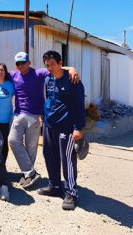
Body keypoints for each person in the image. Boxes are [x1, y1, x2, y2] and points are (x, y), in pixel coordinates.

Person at [6, 51, 79, 190]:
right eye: (18, 63)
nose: (21, 65)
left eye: (23, 62)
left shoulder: (39, 73)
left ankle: (27, 175)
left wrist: (72, 69)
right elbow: (0, 74)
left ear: (29, 62)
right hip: (18, 114)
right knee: (13, 140)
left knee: (31, 147)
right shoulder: (14, 75)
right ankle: (30, 172)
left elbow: (56, 68)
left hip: (34, 115)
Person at [37, 50, 85, 210]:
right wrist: (43, 115)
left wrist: (78, 128)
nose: (50, 67)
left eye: (52, 64)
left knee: (67, 159)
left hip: (66, 126)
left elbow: (79, 106)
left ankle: (71, 192)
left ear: (60, 62)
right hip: (49, 124)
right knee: (49, 155)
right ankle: (54, 186)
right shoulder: (48, 79)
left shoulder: (73, 80)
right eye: (47, 65)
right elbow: (48, 98)